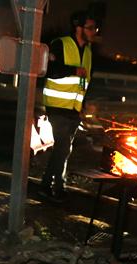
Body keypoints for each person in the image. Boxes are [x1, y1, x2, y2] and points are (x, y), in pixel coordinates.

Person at [37, 11, 98, 202]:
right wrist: (72, 70)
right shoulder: (60, 44)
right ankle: (53, 186)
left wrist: (84, 103)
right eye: (90, 28)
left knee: (63, 149)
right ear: (78, 28)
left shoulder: (88, 52)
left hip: (74, 109)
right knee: (63, 148)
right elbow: (48, 70)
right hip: (57, 107)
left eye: (95, 28)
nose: (93, 32)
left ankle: (52, 186)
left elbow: (85, 81)